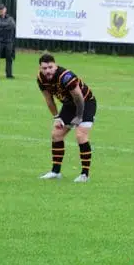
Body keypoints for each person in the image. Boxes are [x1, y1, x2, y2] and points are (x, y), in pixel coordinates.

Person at [36, 53, 97, 183]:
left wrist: (79, 116)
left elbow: (79, 98)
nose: (47, 71)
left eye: (50, 67)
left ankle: (85, 175)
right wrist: (56, 117)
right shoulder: (41, 79)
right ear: (40, 68)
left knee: (80, 135)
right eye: (44, 68)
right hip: (69, 105)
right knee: (56, 134)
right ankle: (55, 172)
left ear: (55, 66)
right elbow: (49, 99)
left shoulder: (66, 77)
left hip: (86, 103)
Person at [0, 3, 15, 79]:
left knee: (9, 58)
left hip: (9, 42)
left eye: (2, 9)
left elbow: (12, 26)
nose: (1, 11)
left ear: (5, 10)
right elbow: (8, 25)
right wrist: (6, 25)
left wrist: (2, 26)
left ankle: (9, 74)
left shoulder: (10, 18)